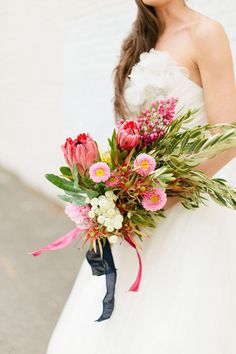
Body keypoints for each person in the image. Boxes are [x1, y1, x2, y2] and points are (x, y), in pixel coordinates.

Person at [47, 1, 236, 353]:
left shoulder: (205, 32)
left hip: (188, 210)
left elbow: (229, 135)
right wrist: (115, 192)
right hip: (139, 213)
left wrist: (163, 193)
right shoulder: (141, 39)